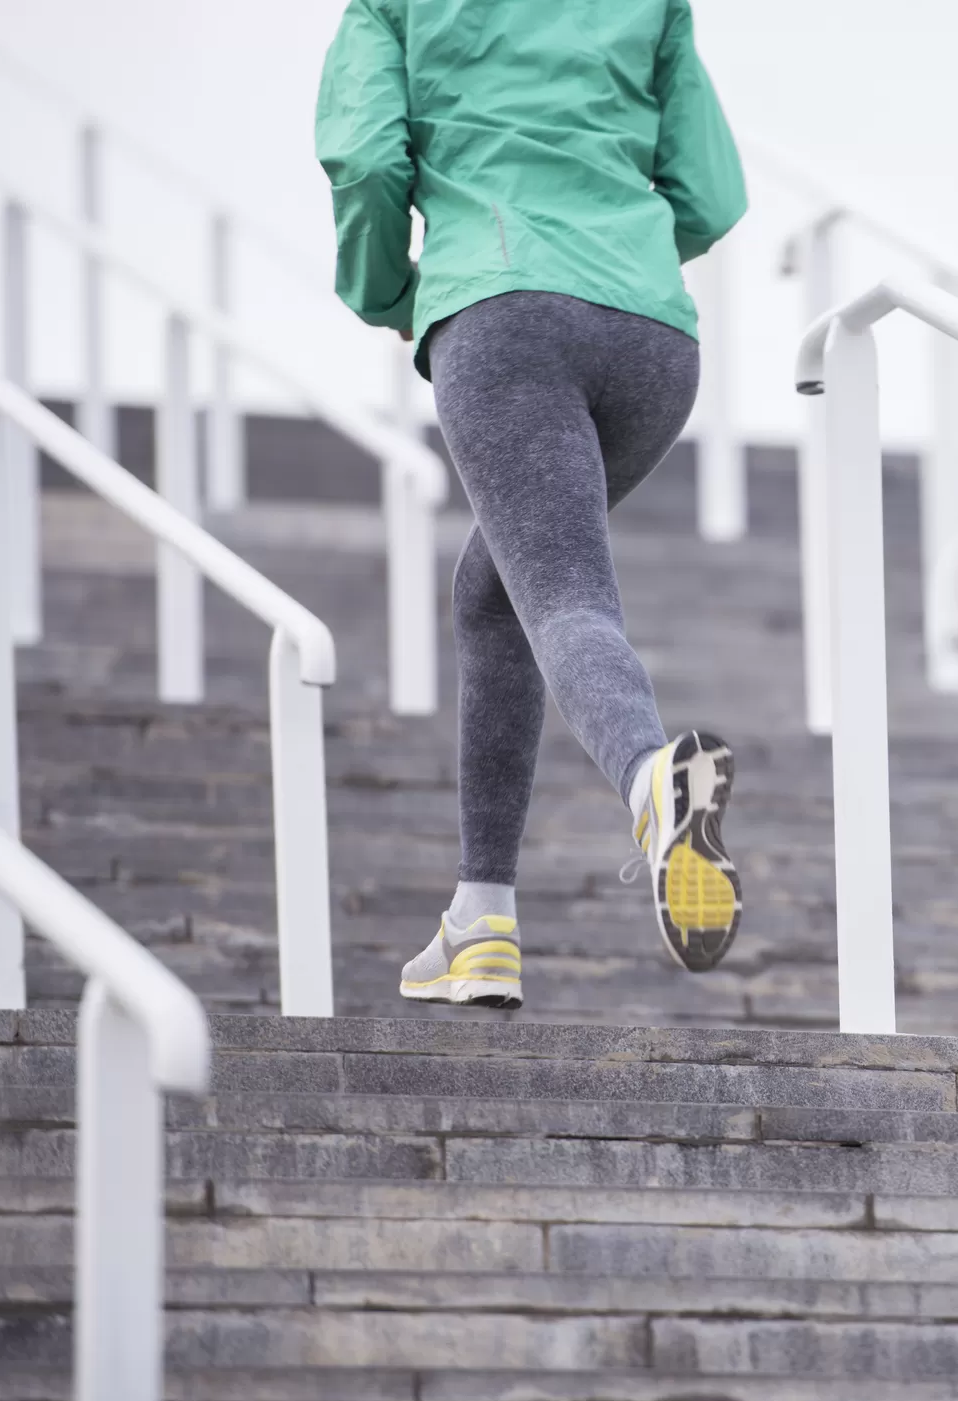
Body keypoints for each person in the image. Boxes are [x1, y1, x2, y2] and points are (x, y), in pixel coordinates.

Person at [315, 0, 748, 1008]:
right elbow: (712, 195)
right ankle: (481, 921)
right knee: (495, 592)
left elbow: (369, 164)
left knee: (564, 597)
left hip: (504, 308)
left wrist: (393, 293)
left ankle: (656, 782)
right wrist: (617, 247)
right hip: (652, 341)